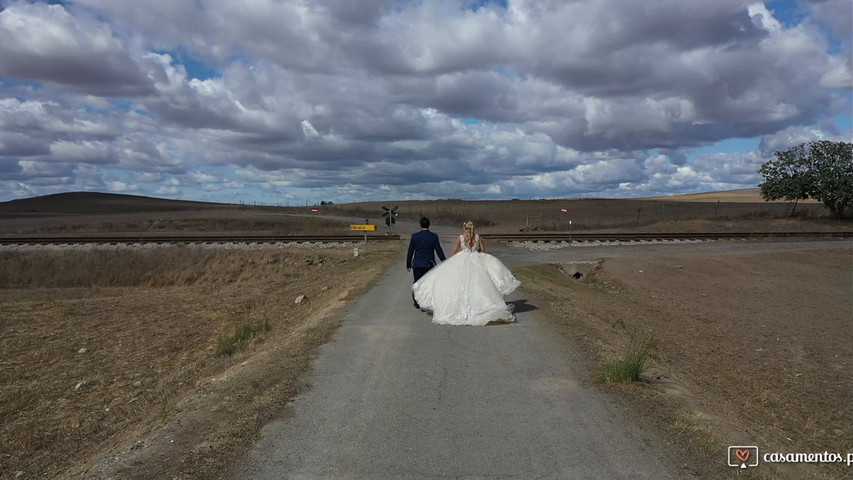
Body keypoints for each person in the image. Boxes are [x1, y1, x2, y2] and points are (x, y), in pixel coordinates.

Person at [413, 220, 520, 326]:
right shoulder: (478, 237)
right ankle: (479, 306)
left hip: (462, 259)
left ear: (464, 228)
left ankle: (460, 306)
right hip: (476, 260)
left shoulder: (461, 238)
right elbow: (483, 249)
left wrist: (451, 262)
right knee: (478, 285)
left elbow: (454, 251)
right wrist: (477, 253)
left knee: (460, 285)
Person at [406, 217, 446, 310]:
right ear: (429, 225)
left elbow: (410, 251)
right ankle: (426, 302)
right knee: (428, 283)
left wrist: (408, 263)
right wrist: (444, 261)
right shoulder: (433, 236)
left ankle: (417, 302)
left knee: (417, 283)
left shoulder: (415, 236)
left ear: (420, 225)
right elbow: (438, 250)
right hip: (429, 264)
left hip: (417, 264)